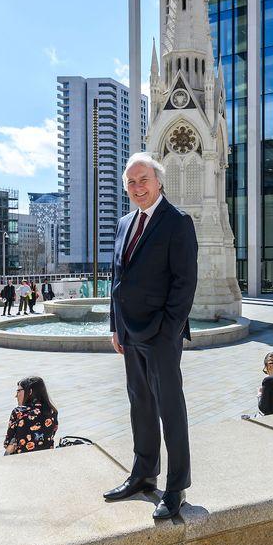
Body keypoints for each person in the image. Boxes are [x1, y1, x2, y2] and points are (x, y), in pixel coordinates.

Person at [105, 153, 198, 521]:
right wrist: (116, 325)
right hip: (128, 331)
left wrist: (168, 330)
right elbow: (118, 279)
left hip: (161, 334)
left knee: (169, 409)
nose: (137, 187)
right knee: (139, 405)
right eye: (131, 182)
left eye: (143, 180)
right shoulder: (125, 222)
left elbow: (185, 282)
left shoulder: (178, 222)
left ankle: (176, 486)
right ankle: (143, 474)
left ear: (158, 181)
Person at [4, 376, 59, 454]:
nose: (16, 395)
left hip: (22, 460)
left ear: (29, 392)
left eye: (19, 391)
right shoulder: (52, 411)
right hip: (46, 456)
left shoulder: (18, 412)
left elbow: (7, 443)